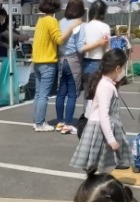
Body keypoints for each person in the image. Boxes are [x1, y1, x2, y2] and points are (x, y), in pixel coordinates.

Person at [70, 49, 130, 173]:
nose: (124, 71)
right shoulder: (105, 86)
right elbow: (104, 115)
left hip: (102, 129)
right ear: (117, 68)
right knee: (100, 166)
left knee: (102, 165)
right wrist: (111, 139)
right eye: (124, 68)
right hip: (100, 130)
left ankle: (98, 184)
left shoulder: (107, 83)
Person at [31, 0, 82, 132]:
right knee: (43, 95)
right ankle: (40, 123)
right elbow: (59, 39)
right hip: (48, 61)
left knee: (38, 94)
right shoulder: (52, 21)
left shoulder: (40, 20)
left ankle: (36, 121)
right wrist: (71, 28)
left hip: (37, 60)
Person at [55, 0, 86, 135]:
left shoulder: (60, 22)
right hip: (74, 61)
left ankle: (60, 121)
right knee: (72, 95)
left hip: (61, 59)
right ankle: (68, 123)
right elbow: (80, 47)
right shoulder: (79, 24)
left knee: (61, 94)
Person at [81, 1, 111, 94]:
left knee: (87, 94)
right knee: (98, 94)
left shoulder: (84, 26)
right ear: (103, 12)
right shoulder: (105, 27)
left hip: (85, 62)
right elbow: (107, 48)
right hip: (99, 62)